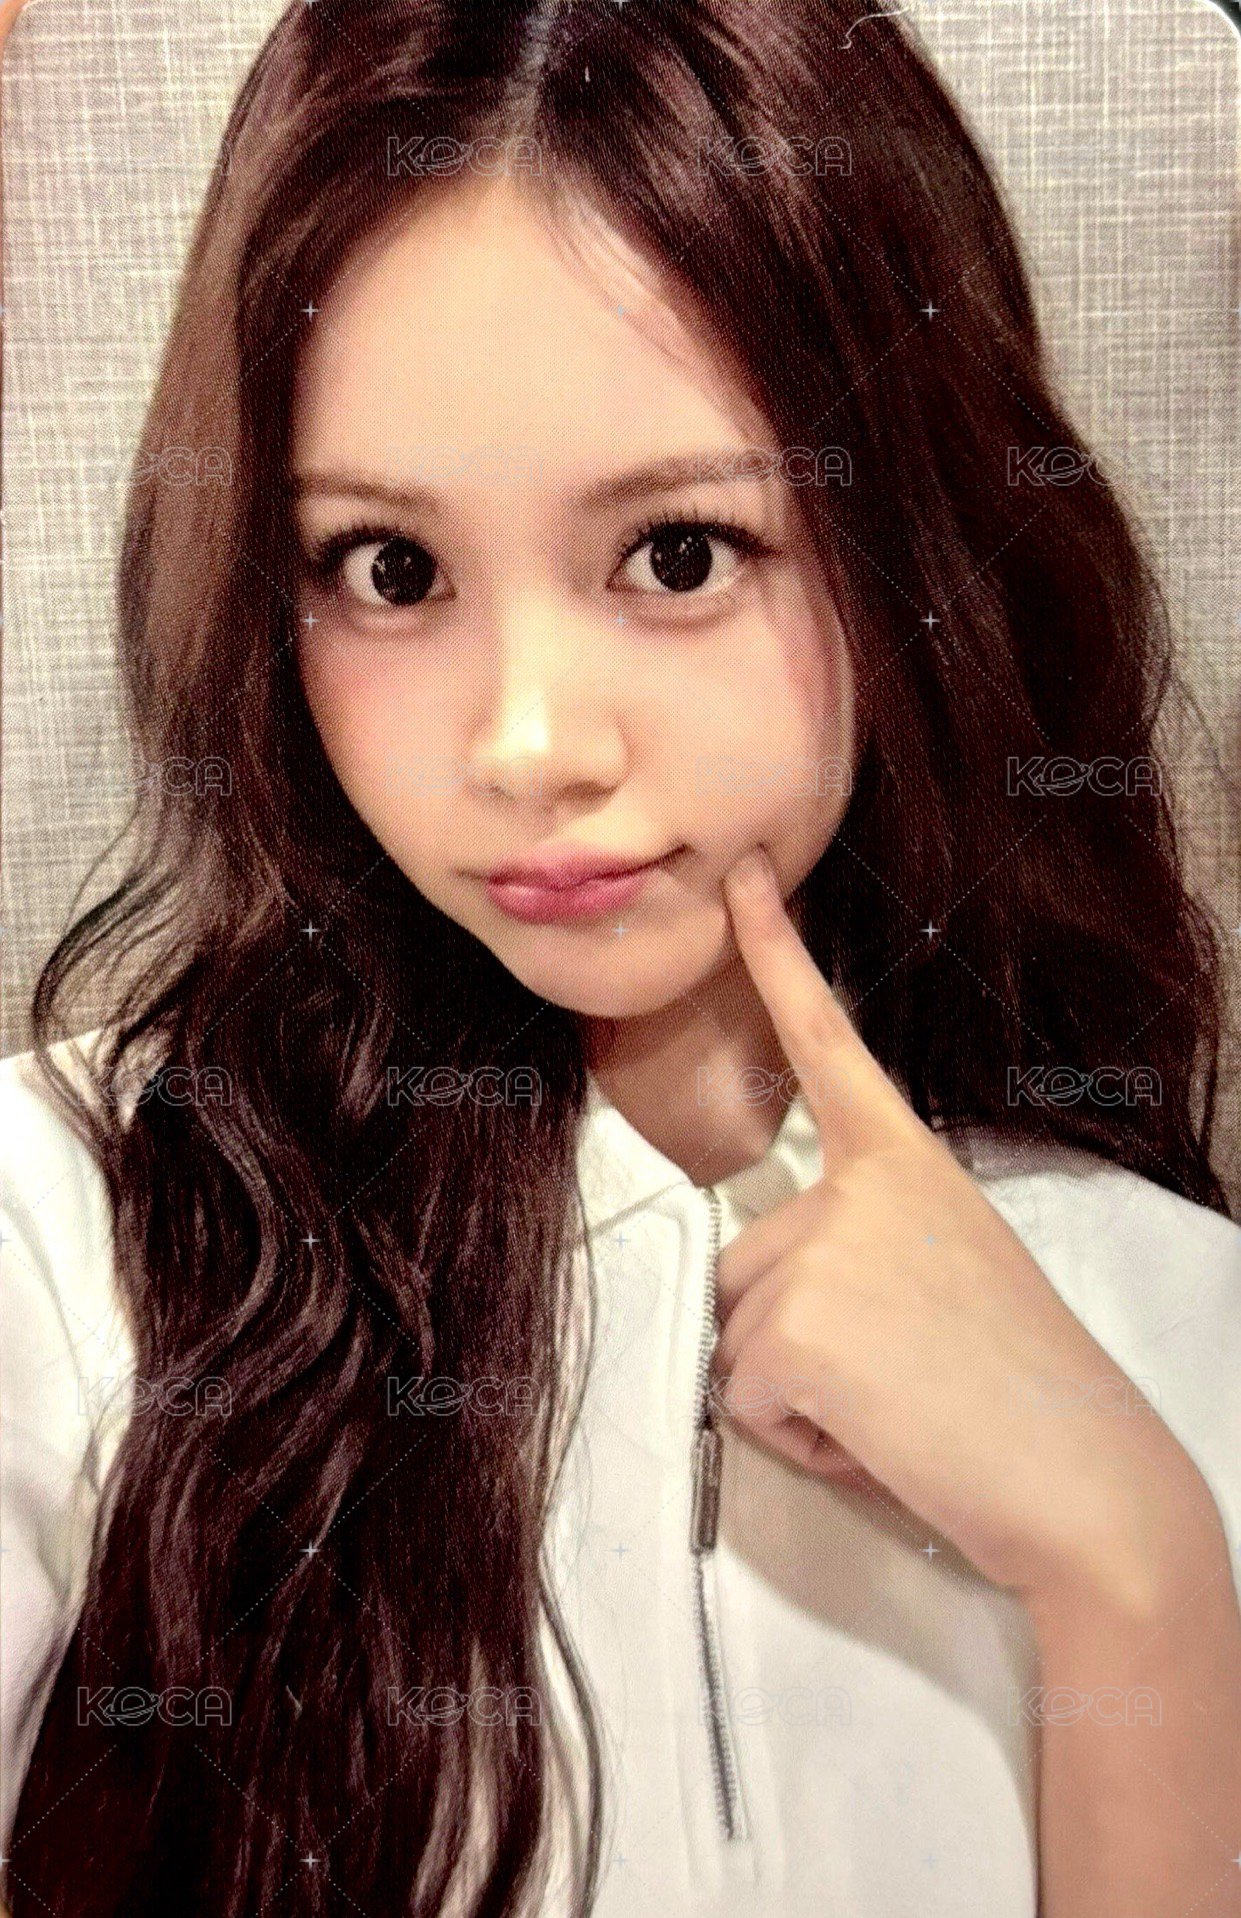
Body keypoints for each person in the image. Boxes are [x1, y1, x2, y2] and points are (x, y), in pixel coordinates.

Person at [2, 3, 1239, 1914]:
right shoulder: (81, 1221)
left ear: (917, 548)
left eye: (677, 552)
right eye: (390, 570)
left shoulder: (1178, 1322)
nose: (525, 745)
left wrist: (1132, 1570)